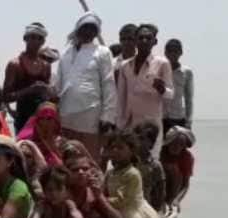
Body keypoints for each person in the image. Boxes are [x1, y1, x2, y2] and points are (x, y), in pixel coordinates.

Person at [55, 12, 117, 163]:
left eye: (93, 29)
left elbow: (108, 84)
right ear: (78, 29)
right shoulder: (66, 53)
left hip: (91, 116)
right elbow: (58, 83)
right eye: (85, 27)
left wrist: (107, 117)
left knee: (89, 160)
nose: (89, 32)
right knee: (66, 158)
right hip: (66, 115)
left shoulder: (102, 52)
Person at [116, 24, 174, 155]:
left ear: (155, 41)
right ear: (135, 40)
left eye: (148, 38)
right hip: (129, 123)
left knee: (150, 163)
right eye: (141, 37)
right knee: (129, 162)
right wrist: (119, 124)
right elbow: (121, 97)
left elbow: (171, 94)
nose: (144, 41)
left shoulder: (162, 63)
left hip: (150, 127)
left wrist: (162, 89)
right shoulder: (125, 66)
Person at [3, 22, 52, 131]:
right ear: (25, 38)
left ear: (43, 41)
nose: (35, 41)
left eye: (39, 38)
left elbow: (48, 96)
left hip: (42, 122)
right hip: (23, 121)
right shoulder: (15, 64)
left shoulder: (46, 66)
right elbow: (6, 96)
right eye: (32, 37)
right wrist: (29, 90)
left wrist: (46, 90)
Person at [134, 122, 166, 212]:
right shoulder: (128, 161)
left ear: (151, 143)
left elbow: (161, 192)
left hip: (145, 208)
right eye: (136, 138)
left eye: (142, 139)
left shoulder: (155, 166)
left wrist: (155, 211)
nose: (138, 142)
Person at [160, 126, 196, 208]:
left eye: (181, 144)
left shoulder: (187, 157)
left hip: (173, 188)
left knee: (174, 170)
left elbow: (185, 185)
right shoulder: (160, 151)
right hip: (158, 183)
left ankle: (170, 203)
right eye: (174, 143)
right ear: (168, 142)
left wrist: (177, 200)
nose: (176, 147)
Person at [163, 39, 194, 131]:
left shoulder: (186, 72)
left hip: (178, 118)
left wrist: (188, 121)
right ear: (165, 53)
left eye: (175, 51)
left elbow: (189, 99)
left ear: (181, 52)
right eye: (170, 51)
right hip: (161, 117)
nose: (173, 54)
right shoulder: (159, 69)